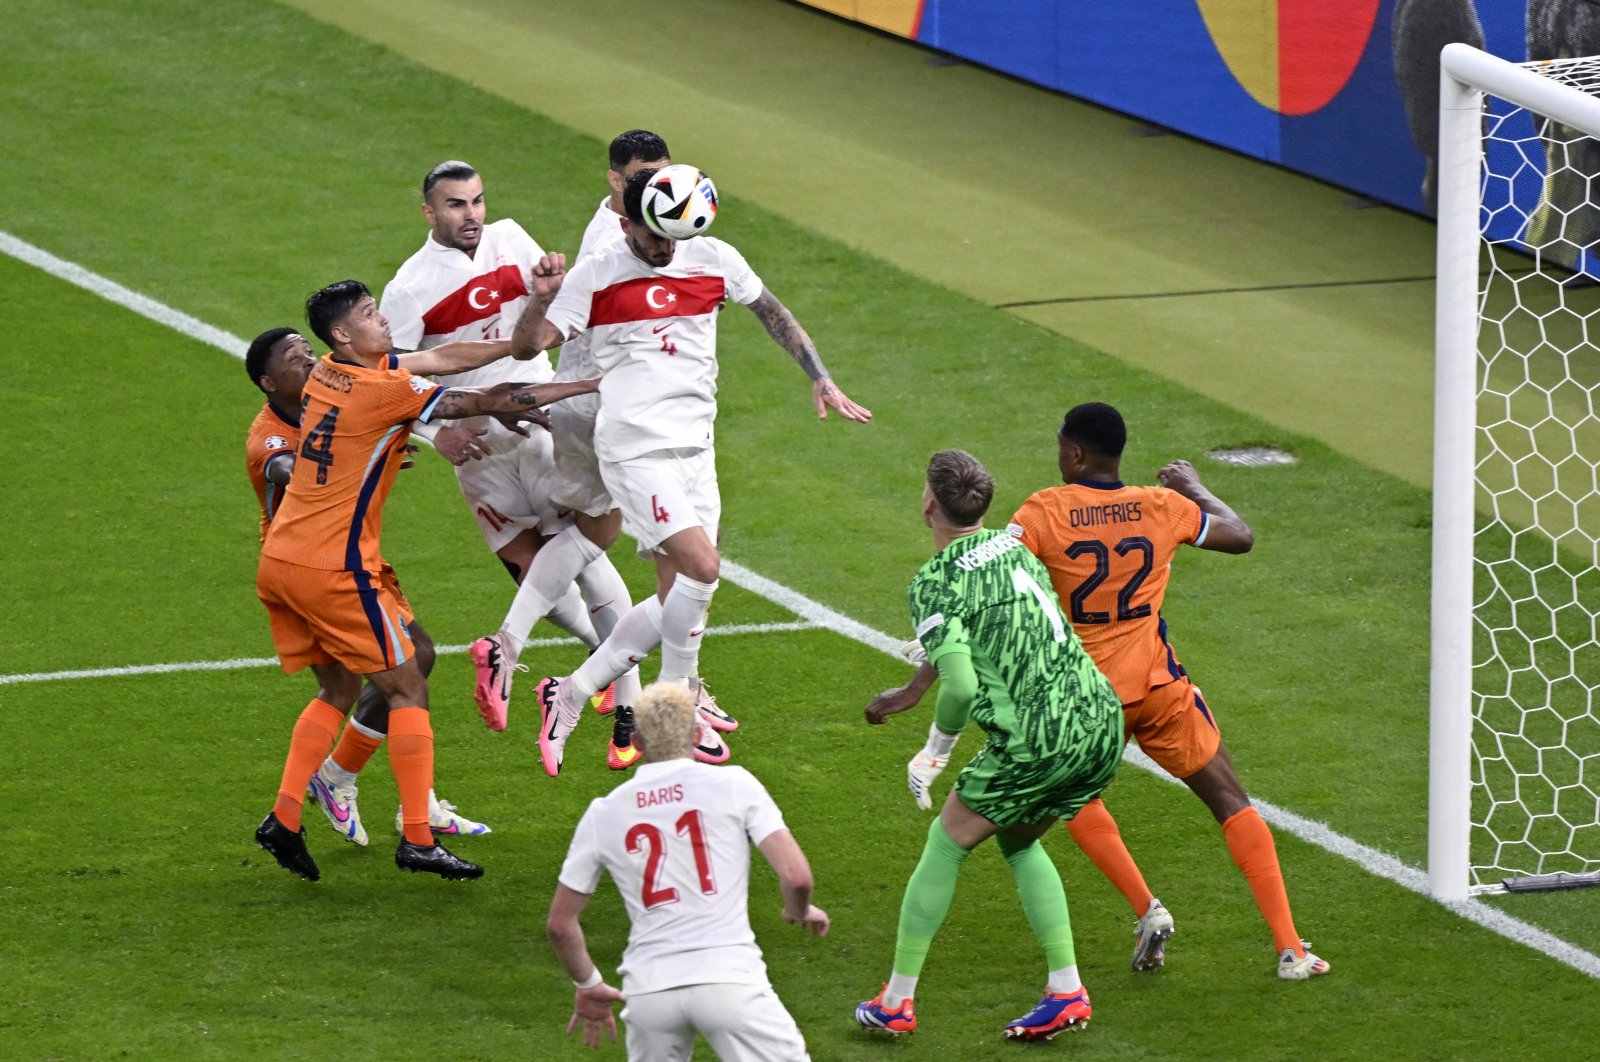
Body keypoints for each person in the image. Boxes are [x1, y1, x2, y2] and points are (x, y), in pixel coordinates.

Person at [867, 403, 1330, 980]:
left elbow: (981, 591)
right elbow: (1240, 537)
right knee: (1232, 803)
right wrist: (1197, 488)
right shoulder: (1162, 506)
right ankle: (1291, 949)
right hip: (1161, 685)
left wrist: (921, 680)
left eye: (1062, 444)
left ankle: (1146, 909)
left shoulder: (1045, 511)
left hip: (1084, 700)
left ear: (1076, 453)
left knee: (1070, 799)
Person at [511, 165, 873, 777]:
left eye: (674, 240)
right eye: (654, 239)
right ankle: (672, 709)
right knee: (703, 569)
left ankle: (571, 692)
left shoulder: (713, 257)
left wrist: (820, 375)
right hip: (633, 447)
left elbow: (772, 311)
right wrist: (541, 298)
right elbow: (528, 349)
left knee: (686, 593)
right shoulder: (597, 272)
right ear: (627, 221)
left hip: (695, 449)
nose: (665, 250)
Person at [252, 279, 599, 882]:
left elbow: (441, 360)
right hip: (333, 563)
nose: (383, 320)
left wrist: (514, 344)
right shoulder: (380, 389)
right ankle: (417, 836)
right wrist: (591, 384)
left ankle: (284, 819)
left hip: (282, 559)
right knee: (407, 684)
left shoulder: (328, 374)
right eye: (368, 314)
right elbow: (483, 401)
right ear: (342, 334)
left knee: (341, 685)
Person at [470, 131, 738, 770]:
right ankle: (669, 701)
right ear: (617, 181)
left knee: (632, 554)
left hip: (644, 414)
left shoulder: (668, 231)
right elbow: (552, 337)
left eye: (664, 175)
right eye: (644, 176)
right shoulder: (609, 245)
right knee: (648, 553)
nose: (657, 189)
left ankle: (576, 687)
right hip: (604, 413)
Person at [853, 450, 1123, 1042]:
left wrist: (936, 750)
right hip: (1101, 719)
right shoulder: (1014, 544)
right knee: (1020, 839)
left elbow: (963, 685)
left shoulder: (935, 582)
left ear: (929, 503)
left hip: (1039, 738)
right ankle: (1065, 990)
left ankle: (897, 1001)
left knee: (947, 841)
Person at [379, 160, 630, 725]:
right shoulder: (410, 286)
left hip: (538, 414)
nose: (471, 215)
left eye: (477, 201)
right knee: (526, 561)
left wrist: (555, 293)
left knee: (579, 546)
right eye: (456, 205)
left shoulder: (512, 238)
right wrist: (435, 432)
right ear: (429, 212)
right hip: (477, 440)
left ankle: (618, 683)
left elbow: (552, 313)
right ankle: (605, 661)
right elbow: (395, 380)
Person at [245, 327, 489, 846]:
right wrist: (352, 460)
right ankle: (412, 820)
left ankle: (330, 790)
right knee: (404, 676)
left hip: (335, 557)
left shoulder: (332, 394)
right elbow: (288, 469)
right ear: (268, 383)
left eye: (308, 350)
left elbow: (424, 366)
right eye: (295, 358)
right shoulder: (269, 434)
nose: (310, 361)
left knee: (393, 669)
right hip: (320, 566)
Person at [546, 682, 827, 1060]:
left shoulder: (605, 812)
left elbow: (560, 925)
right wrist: (799, 909)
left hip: (649, 991)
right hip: (728, 980)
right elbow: (796, 877)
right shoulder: (735, 784)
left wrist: (589, 983)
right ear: (697, 735)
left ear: (637, 743)